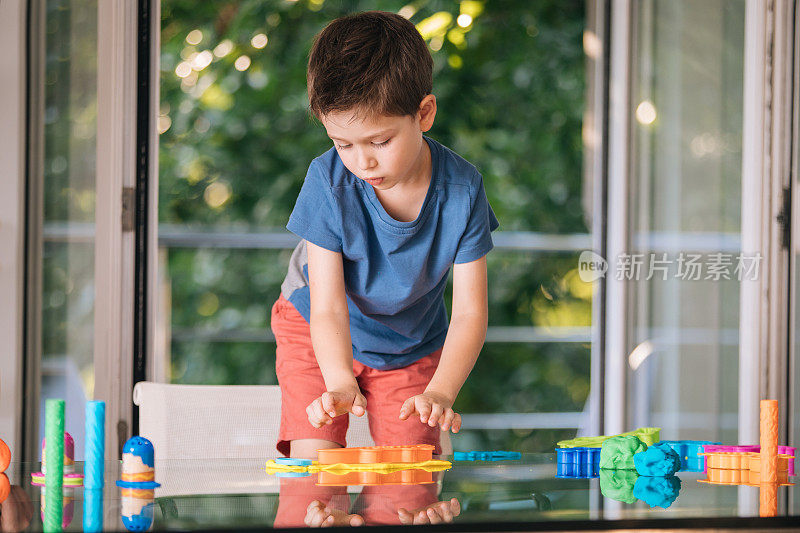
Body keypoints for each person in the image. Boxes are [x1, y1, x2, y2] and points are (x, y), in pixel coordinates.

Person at [271, 10, 499, 461]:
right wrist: (339, 381)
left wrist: (441, 392)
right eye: (343, 143)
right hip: (316, 324)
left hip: (409, 343)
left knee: (410, 484)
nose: (362, 163)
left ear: (424, 113)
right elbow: (328, 305)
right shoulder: (328, 181)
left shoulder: (463, 190)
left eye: (379, 141)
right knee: (317, 471)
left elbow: (471, 311)